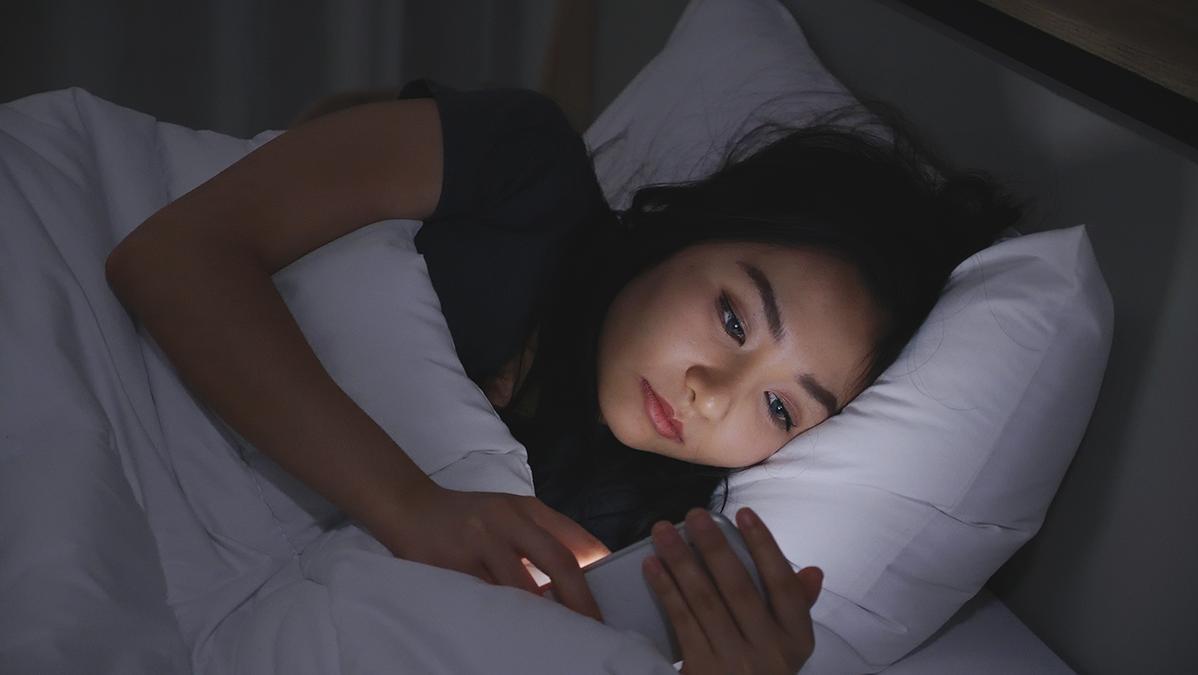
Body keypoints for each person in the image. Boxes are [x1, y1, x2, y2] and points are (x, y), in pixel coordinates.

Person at [106, 79, 1019, 674]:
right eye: (735, 316)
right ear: (694, 229)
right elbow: (173, 253)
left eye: (781, 405)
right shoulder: (523, 172)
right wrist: (410, 502)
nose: (713, 390)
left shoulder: (642, 537)